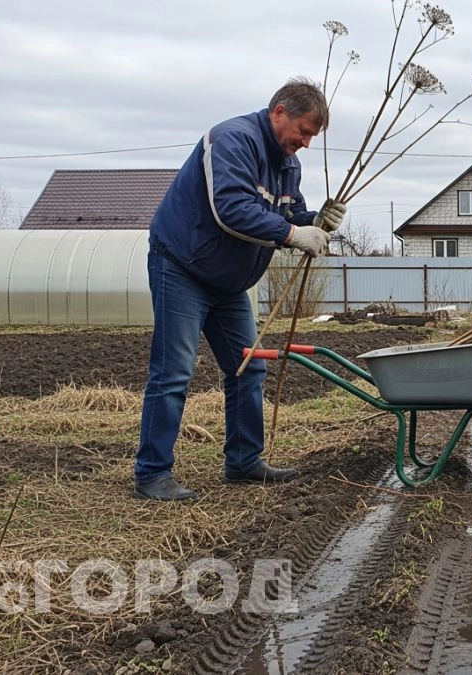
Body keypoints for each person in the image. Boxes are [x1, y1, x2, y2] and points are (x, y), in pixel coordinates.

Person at [134, 77, 348, 501]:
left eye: (312, 136)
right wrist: (292, 234)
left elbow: (288, 211)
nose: (305, 142)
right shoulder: (232, 139)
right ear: (279, 112)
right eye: (303, 131)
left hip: (229, 282)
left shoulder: (288, 163)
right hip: (182, 267)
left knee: (249, 365)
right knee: (174, 371)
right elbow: (231, 209)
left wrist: (316, 221)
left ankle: (243, 461)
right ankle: (152, 473)